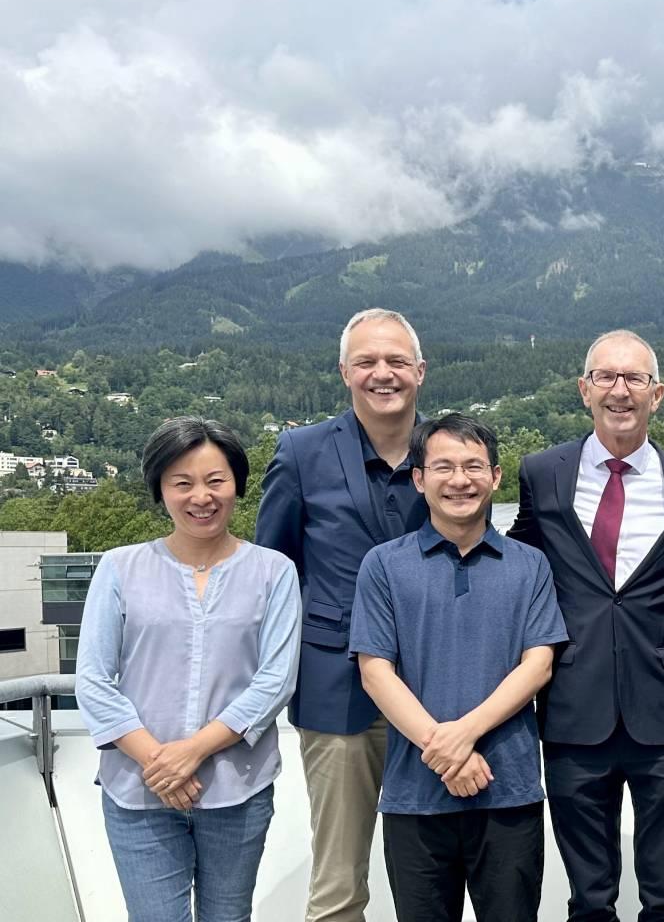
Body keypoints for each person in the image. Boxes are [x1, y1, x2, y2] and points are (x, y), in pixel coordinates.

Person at [507, 329, 664, 922]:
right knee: (589, 899)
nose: (619, 390)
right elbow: (522, 566)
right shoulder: (542, 473)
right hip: (574, 710)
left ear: (658, 394)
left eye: (635, 379)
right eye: (606, 377)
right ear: (584, 389)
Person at [75, 416, 300, 922]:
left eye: (216, 480)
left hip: (236, 789)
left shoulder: (273, 571)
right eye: (183, 483)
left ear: (237, 485)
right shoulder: (119, 567)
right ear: (161, 489)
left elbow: (276, 678)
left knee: (228, 917)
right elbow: (92, 678)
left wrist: (192, 752)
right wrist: (160, 762)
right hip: (138, 788)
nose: (202, 496)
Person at [350, 414, 568, 922]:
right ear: (419, 479)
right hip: (414, 796)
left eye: (474, 466)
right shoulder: (383, 565)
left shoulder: (529, 563)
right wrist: (443, 748)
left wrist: (461, 735)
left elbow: (538, 665)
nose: (459, 480)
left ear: (495, 477)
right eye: (443, 466)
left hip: (508, 789)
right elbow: (375, 671)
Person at [255, 307, 430, 922]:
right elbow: (273, 572)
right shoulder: (300, 452)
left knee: (432, 876)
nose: (383, 373)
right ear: (344, 372)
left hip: (440, 695)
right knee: (337, 881)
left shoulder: (448, 455)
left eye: (396, 361)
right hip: (336, 690)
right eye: (367, 361)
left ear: (420, 371)